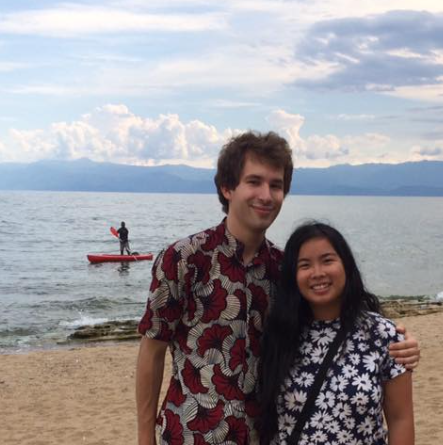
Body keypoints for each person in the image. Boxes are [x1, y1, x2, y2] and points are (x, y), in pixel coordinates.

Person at [135, 131, 420, 445]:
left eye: (276, 185)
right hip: (190, 434)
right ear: (227, 187)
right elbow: (152, 350)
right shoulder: (183, 259)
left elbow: (330, 321)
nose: (266, 195)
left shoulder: (284, 270)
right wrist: (144, 436)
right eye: (254, 182)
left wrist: (395, 338)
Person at [258, 222, 414, 444]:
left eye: (327, 260)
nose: (318, 273)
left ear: (346, 265)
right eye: (305, 265)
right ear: (293, 275)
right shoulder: (279, 335)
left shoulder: (383, 335)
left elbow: (401, 419)